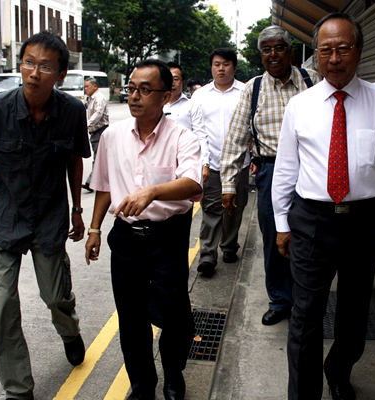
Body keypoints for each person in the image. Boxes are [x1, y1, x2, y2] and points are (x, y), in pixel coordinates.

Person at [272, 13, 375, 400]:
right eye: (325, 50)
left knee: (354, 314)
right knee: (305, 315)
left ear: (359, 51)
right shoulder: (299, 106)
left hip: (364, 221)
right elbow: (285, 171)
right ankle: (303, 394)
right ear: (316, 55)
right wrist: (282, 224)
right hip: (311, 220)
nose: (334, 58)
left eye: (343, 49)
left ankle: (338, 372)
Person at [0, 31, 90, 400]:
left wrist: (78, 211)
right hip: (4, 220)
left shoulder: (71, 112)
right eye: (29, 62)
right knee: (4, 305)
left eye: (46, 66)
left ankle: (69, 331)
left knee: (55, 297)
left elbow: (74, 159)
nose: (34, 72)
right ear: (20, 65)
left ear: (61, 74)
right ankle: (18, 389)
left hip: (49, 218)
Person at [84, 59, 203, 400]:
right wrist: (94, 229)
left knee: (174, 314)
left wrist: (152, 191)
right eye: (132, 88)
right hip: (126, 239)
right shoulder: (112, 135)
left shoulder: (183, 138)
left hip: (167, 236)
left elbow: (193, 182)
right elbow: (104, 186)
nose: (135, 96)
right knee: (131, 317)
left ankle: (174, 371)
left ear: (166, 96)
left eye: (145, 89)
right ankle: (142, 385)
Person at [220, 26, 320, 326]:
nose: (273, 55)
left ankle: (305, 297)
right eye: (266, 49)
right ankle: (279, 299)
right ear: (260, 55)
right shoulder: (254, 88)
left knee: (310, 236)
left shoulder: (311, 81)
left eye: (279, 48)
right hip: (271, 170)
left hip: (311, 169)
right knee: (274, 239)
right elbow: (235, 139)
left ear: (291, 52)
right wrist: (228, 185)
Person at [191, 48, 249, 276]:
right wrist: (202, 161)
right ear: (211, 67)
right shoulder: (200, 95)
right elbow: (197, 131)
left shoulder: (246, 92)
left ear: (234, 66)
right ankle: (207, 255)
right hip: (212, 162)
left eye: (226, 64)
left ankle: (229, 245)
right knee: (212, 209)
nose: (221, 68)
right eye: (216, 64)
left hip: (240, 163)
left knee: (235, 207)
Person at [82, 77, 109, 192]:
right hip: (94, 133)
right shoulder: (90, 99)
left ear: (95, 86)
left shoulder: (99, 98)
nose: (85, 89)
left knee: (98, 158)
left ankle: (91, 182)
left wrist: (85, 125)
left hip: (100, 131)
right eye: (84, 87)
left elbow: (98, 114)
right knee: (100, 158)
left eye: (87, 86)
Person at [163, 62, 197, 130]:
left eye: (175, 79)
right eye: (168, 79)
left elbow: (199, 134)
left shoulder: (192, 106)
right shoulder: (154, 105)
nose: (172, 83)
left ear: (183, 83)